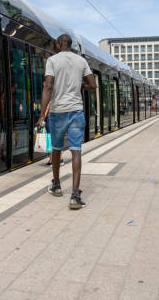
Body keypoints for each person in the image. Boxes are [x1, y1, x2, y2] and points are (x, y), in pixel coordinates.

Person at [38, 34, 96, 210]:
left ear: (58, 44)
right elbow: (93, 85)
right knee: (76, 151)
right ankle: (75, 196)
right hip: (76, 111)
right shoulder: (81, 61)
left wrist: (42, 115)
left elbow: (48, 86)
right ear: (70, 45)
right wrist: (79, 86)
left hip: (57, 112)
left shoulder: (52, 61)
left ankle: (56, 185)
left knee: (56, 149)